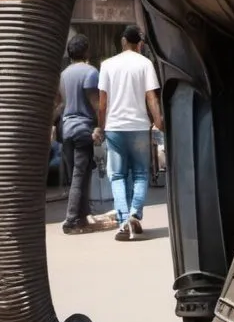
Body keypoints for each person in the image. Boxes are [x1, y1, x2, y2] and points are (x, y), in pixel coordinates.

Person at [94, 25, 162, 241]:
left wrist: (101, 125)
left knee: (118, 175)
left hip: (114, 127)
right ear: (139, 43)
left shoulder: (107, 65)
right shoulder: (145, 64)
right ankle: (135, 213)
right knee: (141, 173)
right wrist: (158, 121)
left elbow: (102, 103)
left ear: (123, 41)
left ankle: (123, 220)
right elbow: (151, 96)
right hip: (139, 126)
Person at [57, 34, 115, 234]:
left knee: (77, 176)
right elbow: (96, 103)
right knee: (79, 176)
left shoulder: (63, 74)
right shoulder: (90, 72)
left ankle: (81, 217)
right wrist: (101, 125)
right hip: (83, 129)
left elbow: (60, 103)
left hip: (66, 130)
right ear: (86, 51)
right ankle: (71, 220)